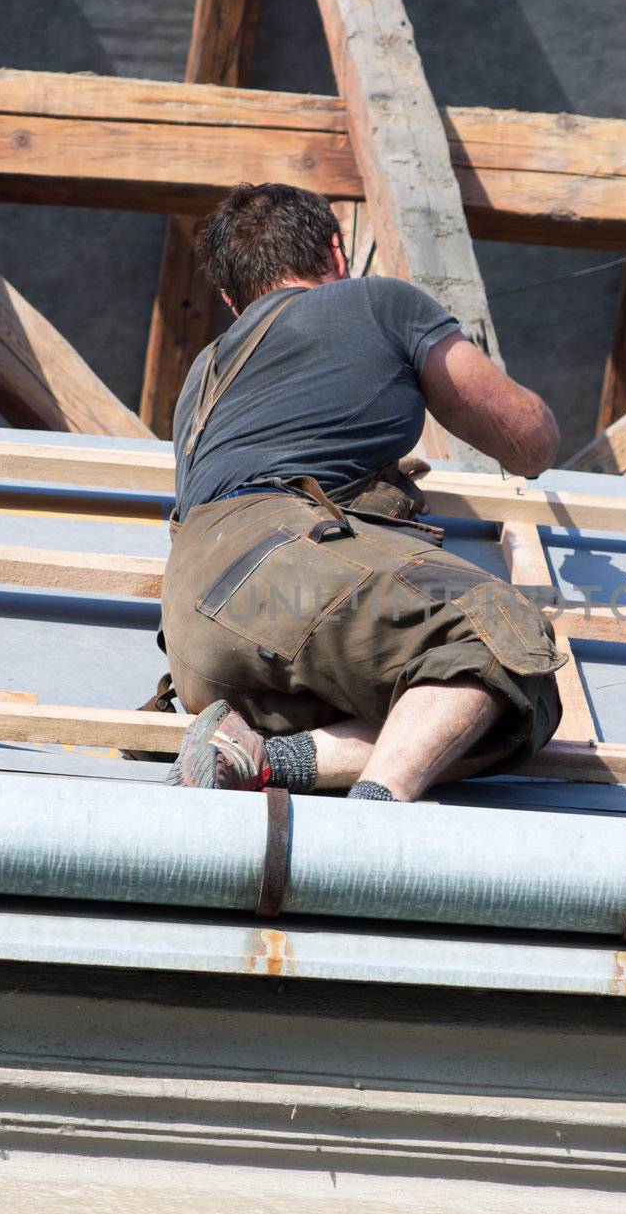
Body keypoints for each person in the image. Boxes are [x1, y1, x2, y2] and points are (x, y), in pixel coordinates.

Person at [161, 181, 564, 802]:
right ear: (337, 253)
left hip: (197, 639)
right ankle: (370, 825)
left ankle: (256, 757)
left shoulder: (204, 372)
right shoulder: (376, 302)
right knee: (499, 638)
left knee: (450, 715)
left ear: (228, 298)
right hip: (279, 563)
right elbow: (528, 443)